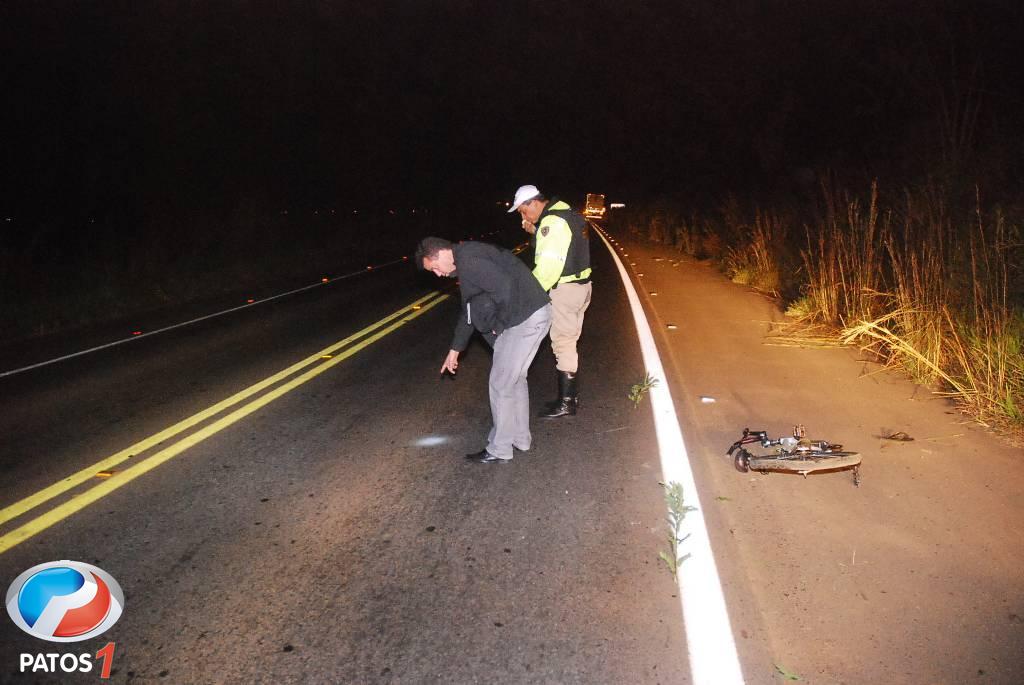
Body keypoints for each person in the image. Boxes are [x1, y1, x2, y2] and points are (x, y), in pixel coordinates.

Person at [415, 236, 551, 463]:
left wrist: (499, 325)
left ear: (442, 254)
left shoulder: (470, 261)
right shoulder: (466, 259)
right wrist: (455, 349)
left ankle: (500, 449)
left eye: (435, 268)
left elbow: (505, 289)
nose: (438, 274)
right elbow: (469, 310)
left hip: (524, 319)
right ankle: (520, 439)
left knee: (500, 383)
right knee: (514, 380)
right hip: (532, 315)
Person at [508, 184, 593, 418]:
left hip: (565, 290)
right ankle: (571, 398)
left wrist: (526, 296)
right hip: (581, 286)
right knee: (570, 341)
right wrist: (536, 232)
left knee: (563, 343)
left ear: (534, 203)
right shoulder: (567, 213)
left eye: (523, 211)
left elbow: (548, 269)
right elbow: (563, 245)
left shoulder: (552, 222)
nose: (524, 217)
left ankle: (567, 403)